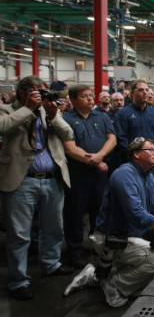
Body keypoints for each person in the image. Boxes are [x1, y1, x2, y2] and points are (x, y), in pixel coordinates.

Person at [65, 138, 154, 307]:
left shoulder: (148, 174)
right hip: (111, 238)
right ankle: (113, 285)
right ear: (136, 154)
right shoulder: (124, 174)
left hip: (131, 235)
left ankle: (95, 275)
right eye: (150, 150)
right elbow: (135, 212)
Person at [0, 76, 75, 300]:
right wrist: (29, 108)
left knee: (53, 228)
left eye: (43, 93)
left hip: (52, 178)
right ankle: (19, 281)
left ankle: (51, 264)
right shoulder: (7, 109)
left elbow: (68, 134)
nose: (41, 97)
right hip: (22, 180)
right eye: (36, 92)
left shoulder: (47, 112)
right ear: (23, 92)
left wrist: (53, 114)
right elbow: (3, 128)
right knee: (19, 235)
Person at [63, 85, 117, 268]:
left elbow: (112, 139)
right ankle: (75, 251)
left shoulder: (101, 116)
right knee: (75, 213)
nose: (89, 99)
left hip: (100, 173)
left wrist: (100, 156)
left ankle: (98, 246)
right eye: (84, 96)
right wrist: (95, 161)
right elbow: (70, 148)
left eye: (90, 95)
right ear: (73, 100)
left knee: (99, 210)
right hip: (78, 173)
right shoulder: (67, 119)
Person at [115, 80, 154, 162]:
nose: (145, 93)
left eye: (146, 90)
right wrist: (134, 155)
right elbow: (121, 139)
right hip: (133, 161)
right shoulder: (123, 114)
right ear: (132, 93)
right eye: (141, 90)